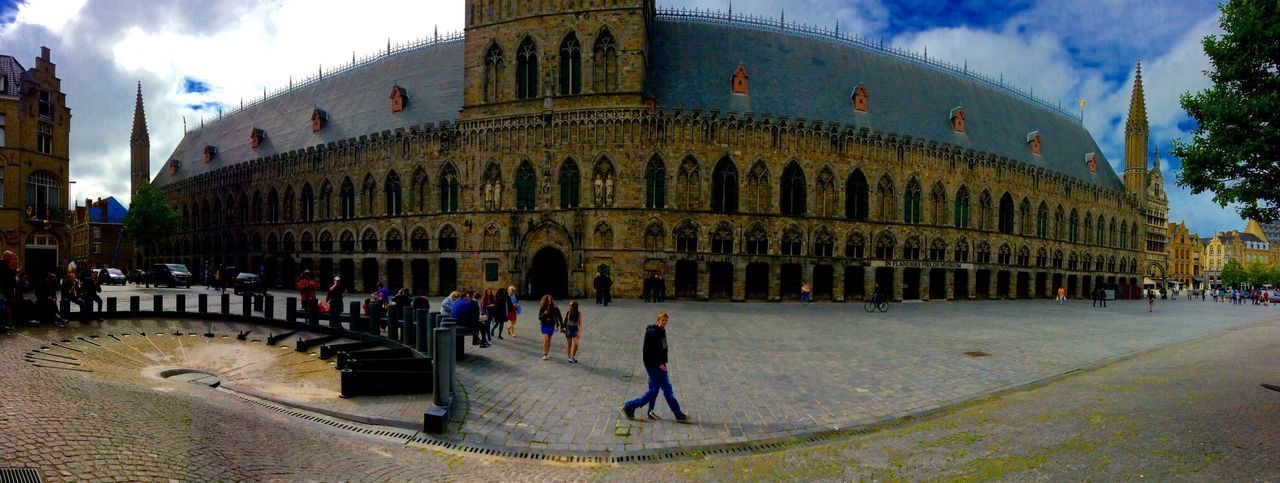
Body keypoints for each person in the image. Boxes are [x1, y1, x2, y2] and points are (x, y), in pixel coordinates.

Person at [621, 312, 689, 423]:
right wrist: (659, 364)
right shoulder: (652, 333)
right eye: (662, 320)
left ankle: (647, 410)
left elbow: (663, 348)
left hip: (659, 364)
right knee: (666, 389)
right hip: (654, 366)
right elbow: (648, 352)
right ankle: (678, 414)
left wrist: (663, 362)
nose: (664, 322)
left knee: (654, 389)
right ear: (658, 320)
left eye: (666, 321)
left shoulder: (662, 331)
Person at [538, 295, 562, 360]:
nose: (549, 301)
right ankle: (544, 354)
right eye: (548, 300)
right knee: (546, 339)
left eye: (550, 300)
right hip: (544, 324)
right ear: (545, 301)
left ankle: (547, 353)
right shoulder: (542, 308)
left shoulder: (554, 308)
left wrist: (559, 326)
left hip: (551, 324)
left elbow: (559, 317)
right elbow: (539, 317)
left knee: (549, 340)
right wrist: (544, 314)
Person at [0, 251, 17, 332]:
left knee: (7, 306)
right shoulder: (3, 265)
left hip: (7, 289)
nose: (11, 259)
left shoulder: (6, 265)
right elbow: (7, 278)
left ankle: (7, 323)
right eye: (10, 257)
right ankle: (6, 323)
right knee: (5, 306)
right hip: (5, 290)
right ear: (5, 257)